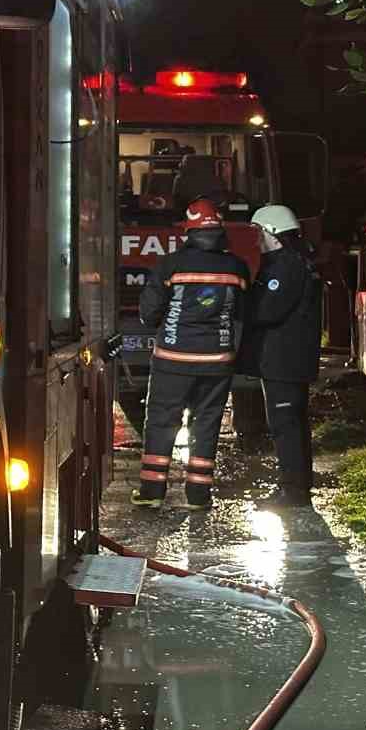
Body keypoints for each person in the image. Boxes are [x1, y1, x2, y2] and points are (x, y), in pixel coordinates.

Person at [133, 197, 252, 510]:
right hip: (217, 362)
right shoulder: (237, 268)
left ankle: (152, 491)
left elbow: (149, 313)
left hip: (174, 360)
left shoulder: (170, 265)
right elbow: (242, 315)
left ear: (189, 231)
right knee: (207, 423)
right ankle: (199, 495)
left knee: (162, 421)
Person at [241, 204, 323, 508]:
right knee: (294, 423)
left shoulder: (284, 266)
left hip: (283, 360)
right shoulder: (298, 261)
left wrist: (242, 303)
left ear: (272, 232)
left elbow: (268, 310)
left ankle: (292, 491)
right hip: (291, 358)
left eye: (259, 232)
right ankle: (298, 487)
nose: (256, 239)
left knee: (285, 425)